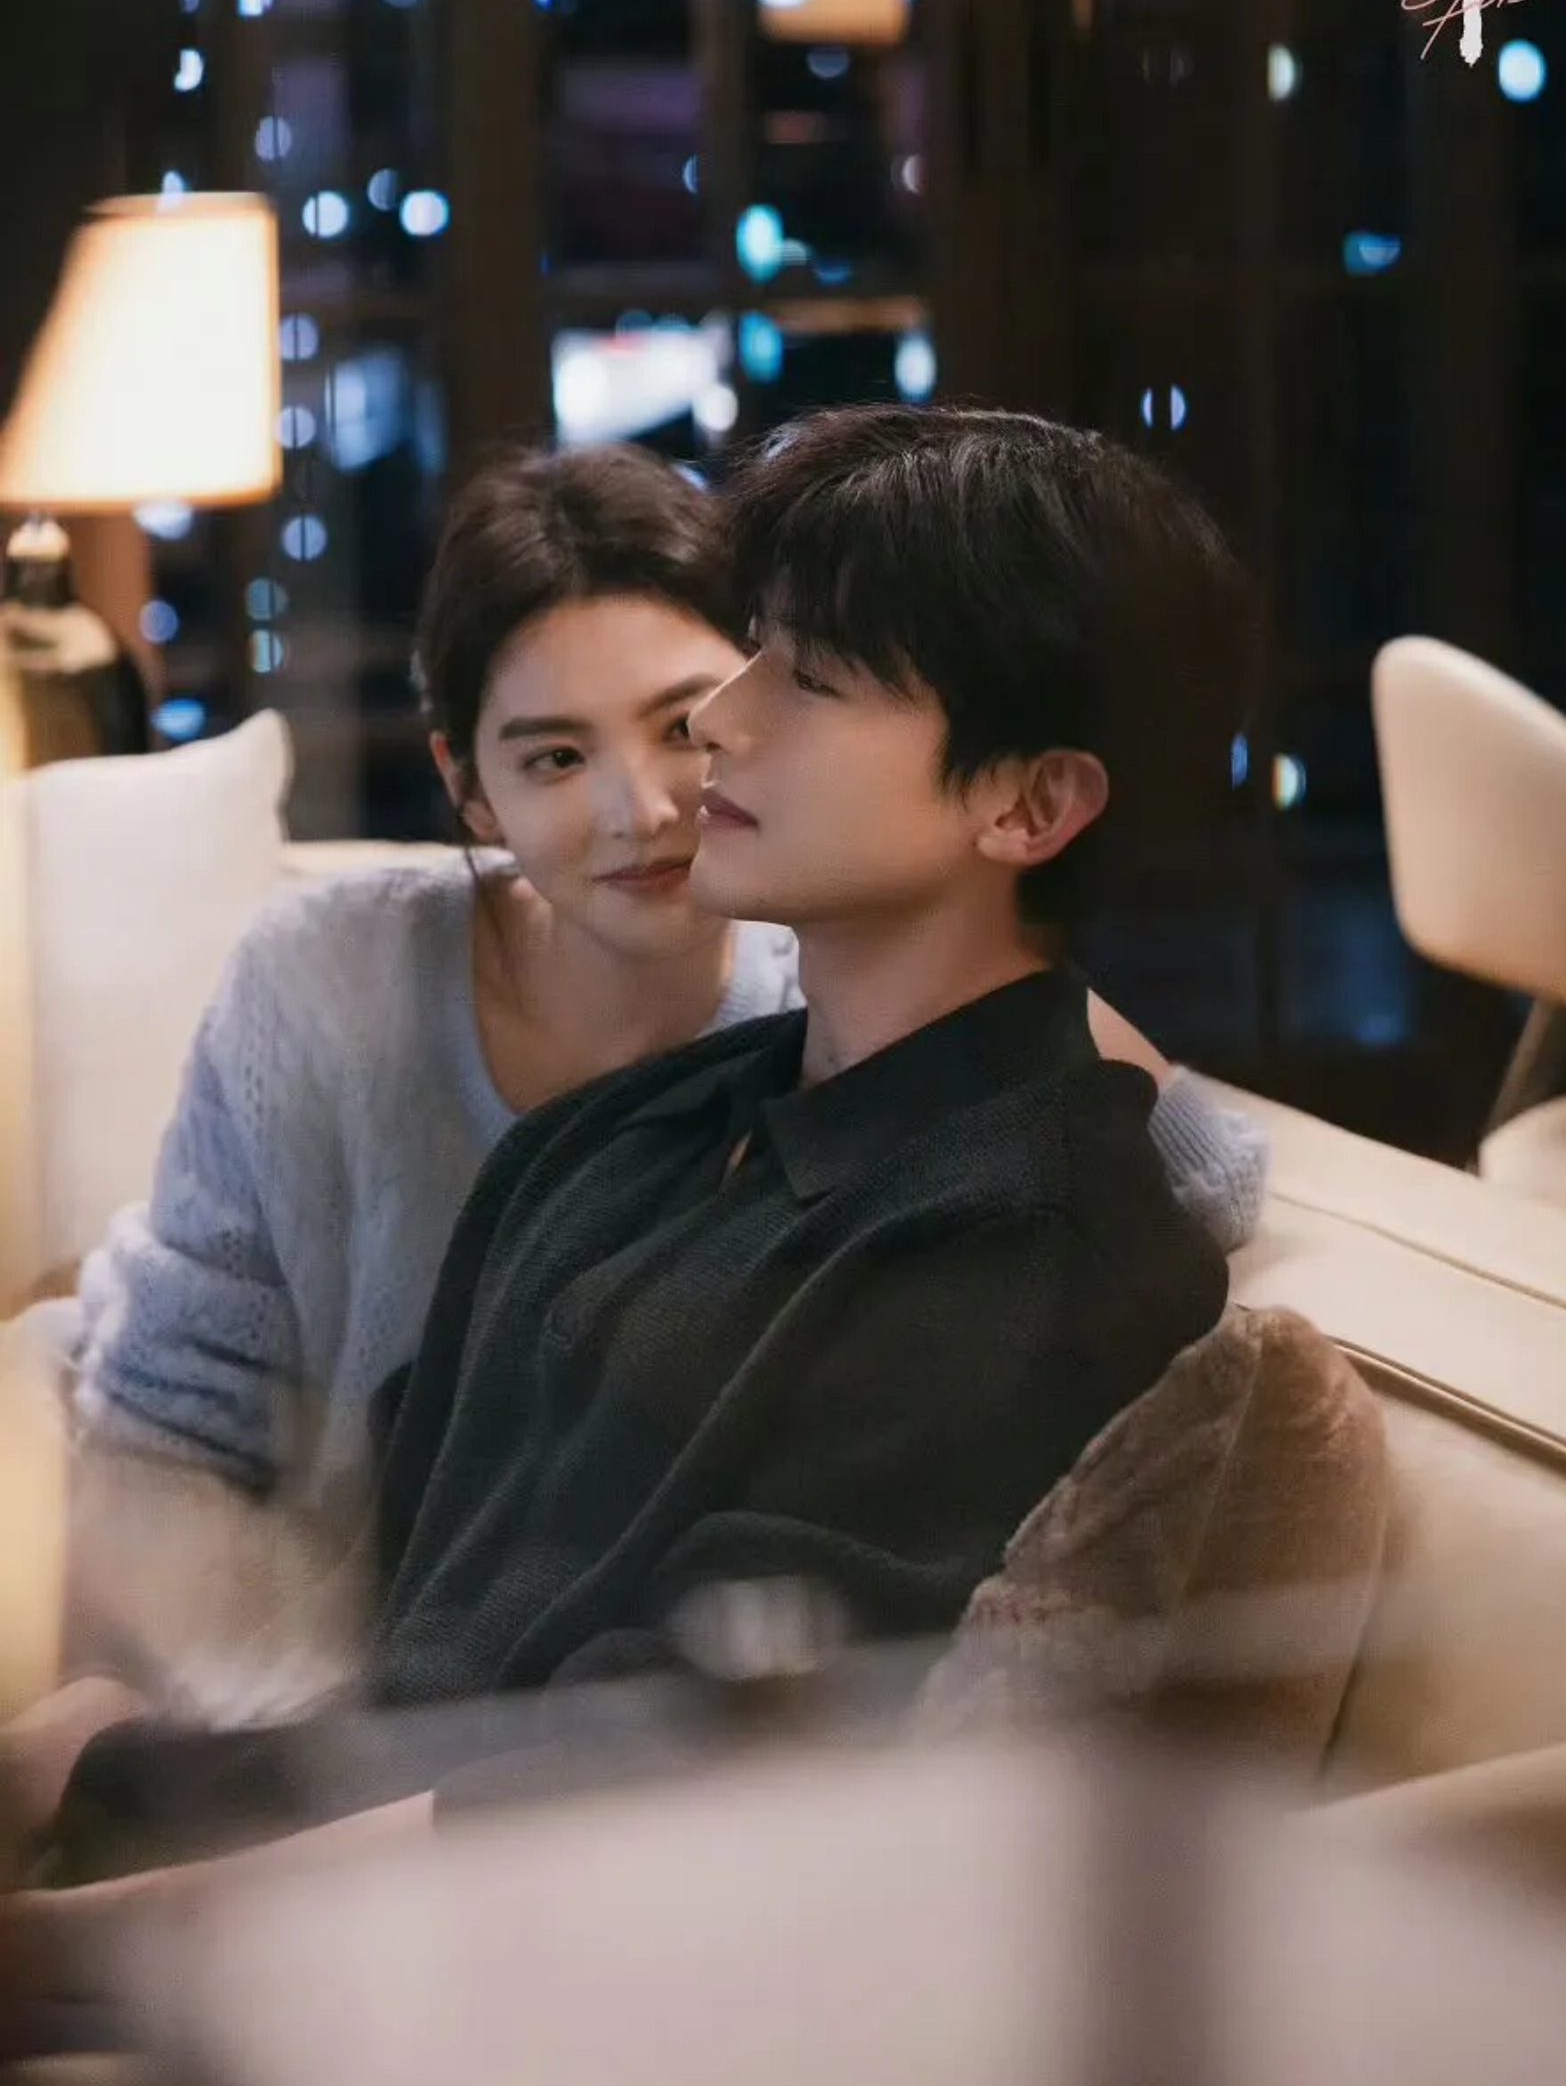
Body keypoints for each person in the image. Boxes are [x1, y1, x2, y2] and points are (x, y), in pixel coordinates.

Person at [24, 403, 1247, 1893]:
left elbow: (643, 1783)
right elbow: (412, 1638)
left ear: (1029, 799)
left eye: (807, 679)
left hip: (466, 1945)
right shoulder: (625, 1133)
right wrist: (110, 1759)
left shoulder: (1020, 1235)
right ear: (467, 783)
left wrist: (98, 1903)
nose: (713, 730)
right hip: (286, 1826)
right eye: (754, 652)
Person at [67, 443, 1263, 1531]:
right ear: (469, 788)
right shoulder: (328, 977)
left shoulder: (829, 996)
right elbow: (166, 1419)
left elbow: (1182, 1157)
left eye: (683, 723)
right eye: (555, 756)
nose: (640, 811)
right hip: (255, 1557)